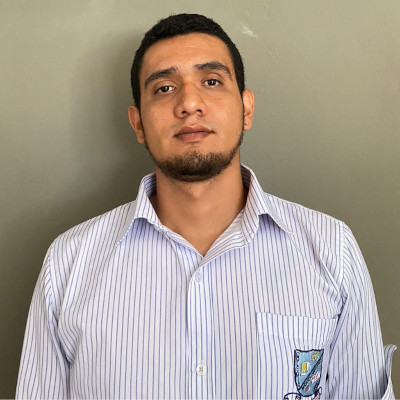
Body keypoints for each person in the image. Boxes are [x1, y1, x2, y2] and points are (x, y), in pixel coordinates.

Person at [16, 13, 395, 399]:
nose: (189, 103)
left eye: (211, 81)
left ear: (246, 109)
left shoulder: (332, 251)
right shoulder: (69, 264)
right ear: (138, 123)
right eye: (164, 88)